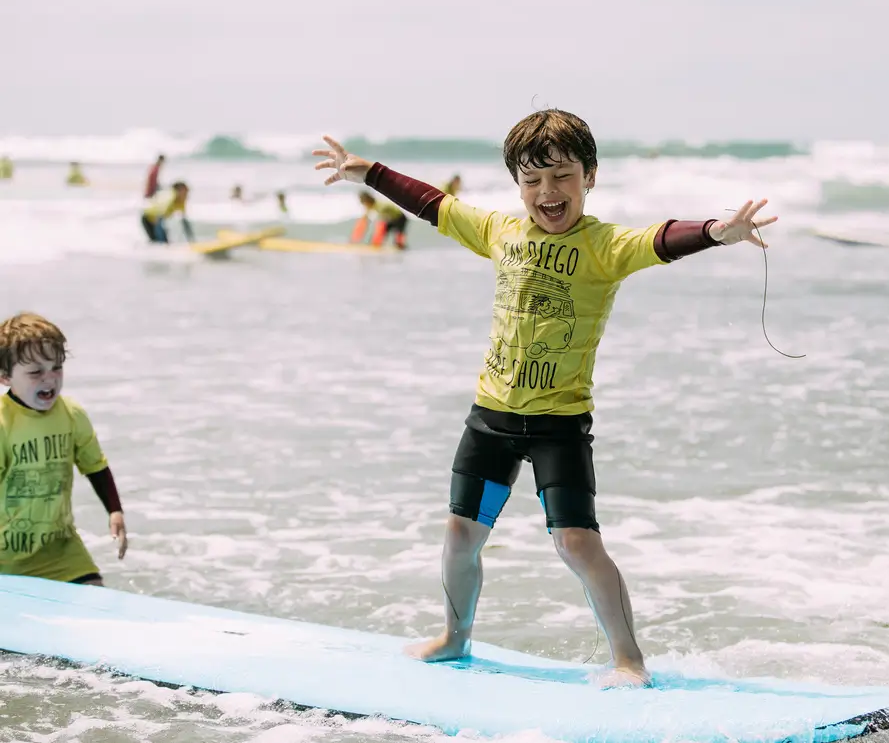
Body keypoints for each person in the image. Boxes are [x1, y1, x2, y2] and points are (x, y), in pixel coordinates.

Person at [314, 109, 776, 687]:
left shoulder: (604, 245)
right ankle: (454, 638)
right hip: (490, 419)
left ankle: (628, 659)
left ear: (590, 176)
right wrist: (370, 173)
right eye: (532, 180)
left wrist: (716, 231)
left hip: (559, 424)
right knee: (460, 535)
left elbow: (660, 239)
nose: (547, 192)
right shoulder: (500, 233)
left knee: (577, 542)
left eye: (561, 176)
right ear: (518, 185)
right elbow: (436, 205)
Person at [0, 312, 128, 586]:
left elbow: (95, 465)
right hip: (6, 556)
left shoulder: (71, 414)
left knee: (96, 604)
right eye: (35, 372)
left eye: (56, 367)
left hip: (62, 550)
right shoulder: (2, 423)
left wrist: (115, 510)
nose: (49, 379)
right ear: (5, 377)